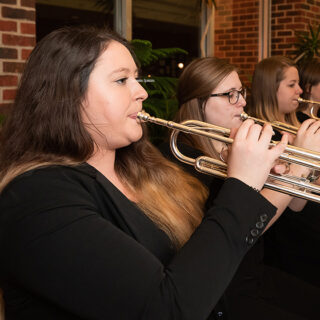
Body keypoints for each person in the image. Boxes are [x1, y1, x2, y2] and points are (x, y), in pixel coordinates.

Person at [0, 26, 286, 320]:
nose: (142, 92)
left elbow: (203, 250)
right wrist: (241, 184)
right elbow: (165, 310)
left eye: (135, 78)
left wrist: (260, 174)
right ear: (69, 94)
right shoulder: (37, 198)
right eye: (122, 79)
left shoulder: (144, 168)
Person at [162, 56, 320, 320]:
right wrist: (297, 170)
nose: (243, 102)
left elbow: (295, 204)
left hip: (253, 270)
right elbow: (244, 229)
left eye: (242, 93)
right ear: (198, 102)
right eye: (230, 95)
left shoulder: (234, 145)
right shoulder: (184, 158)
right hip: (224, 290)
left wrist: (295, 171)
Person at [249, 56, 320, 287]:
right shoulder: (260, 133)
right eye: (291, 85)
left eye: (298, 83)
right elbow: (295, 204)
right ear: (270, 89)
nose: (300, 90)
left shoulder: (301, 121)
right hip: (288, 232)